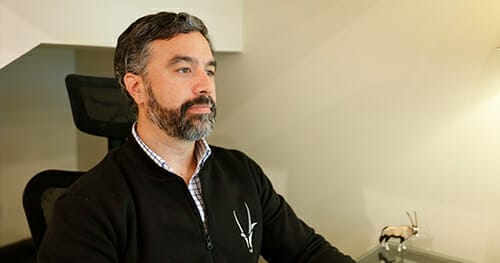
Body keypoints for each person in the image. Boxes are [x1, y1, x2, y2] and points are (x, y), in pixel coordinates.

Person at [38, 11, 355, 263]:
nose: (205, 85)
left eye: (210, 70)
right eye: (184, 70)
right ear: (137, 88)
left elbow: (305, 252)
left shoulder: (241, 173)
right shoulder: (86, 207)